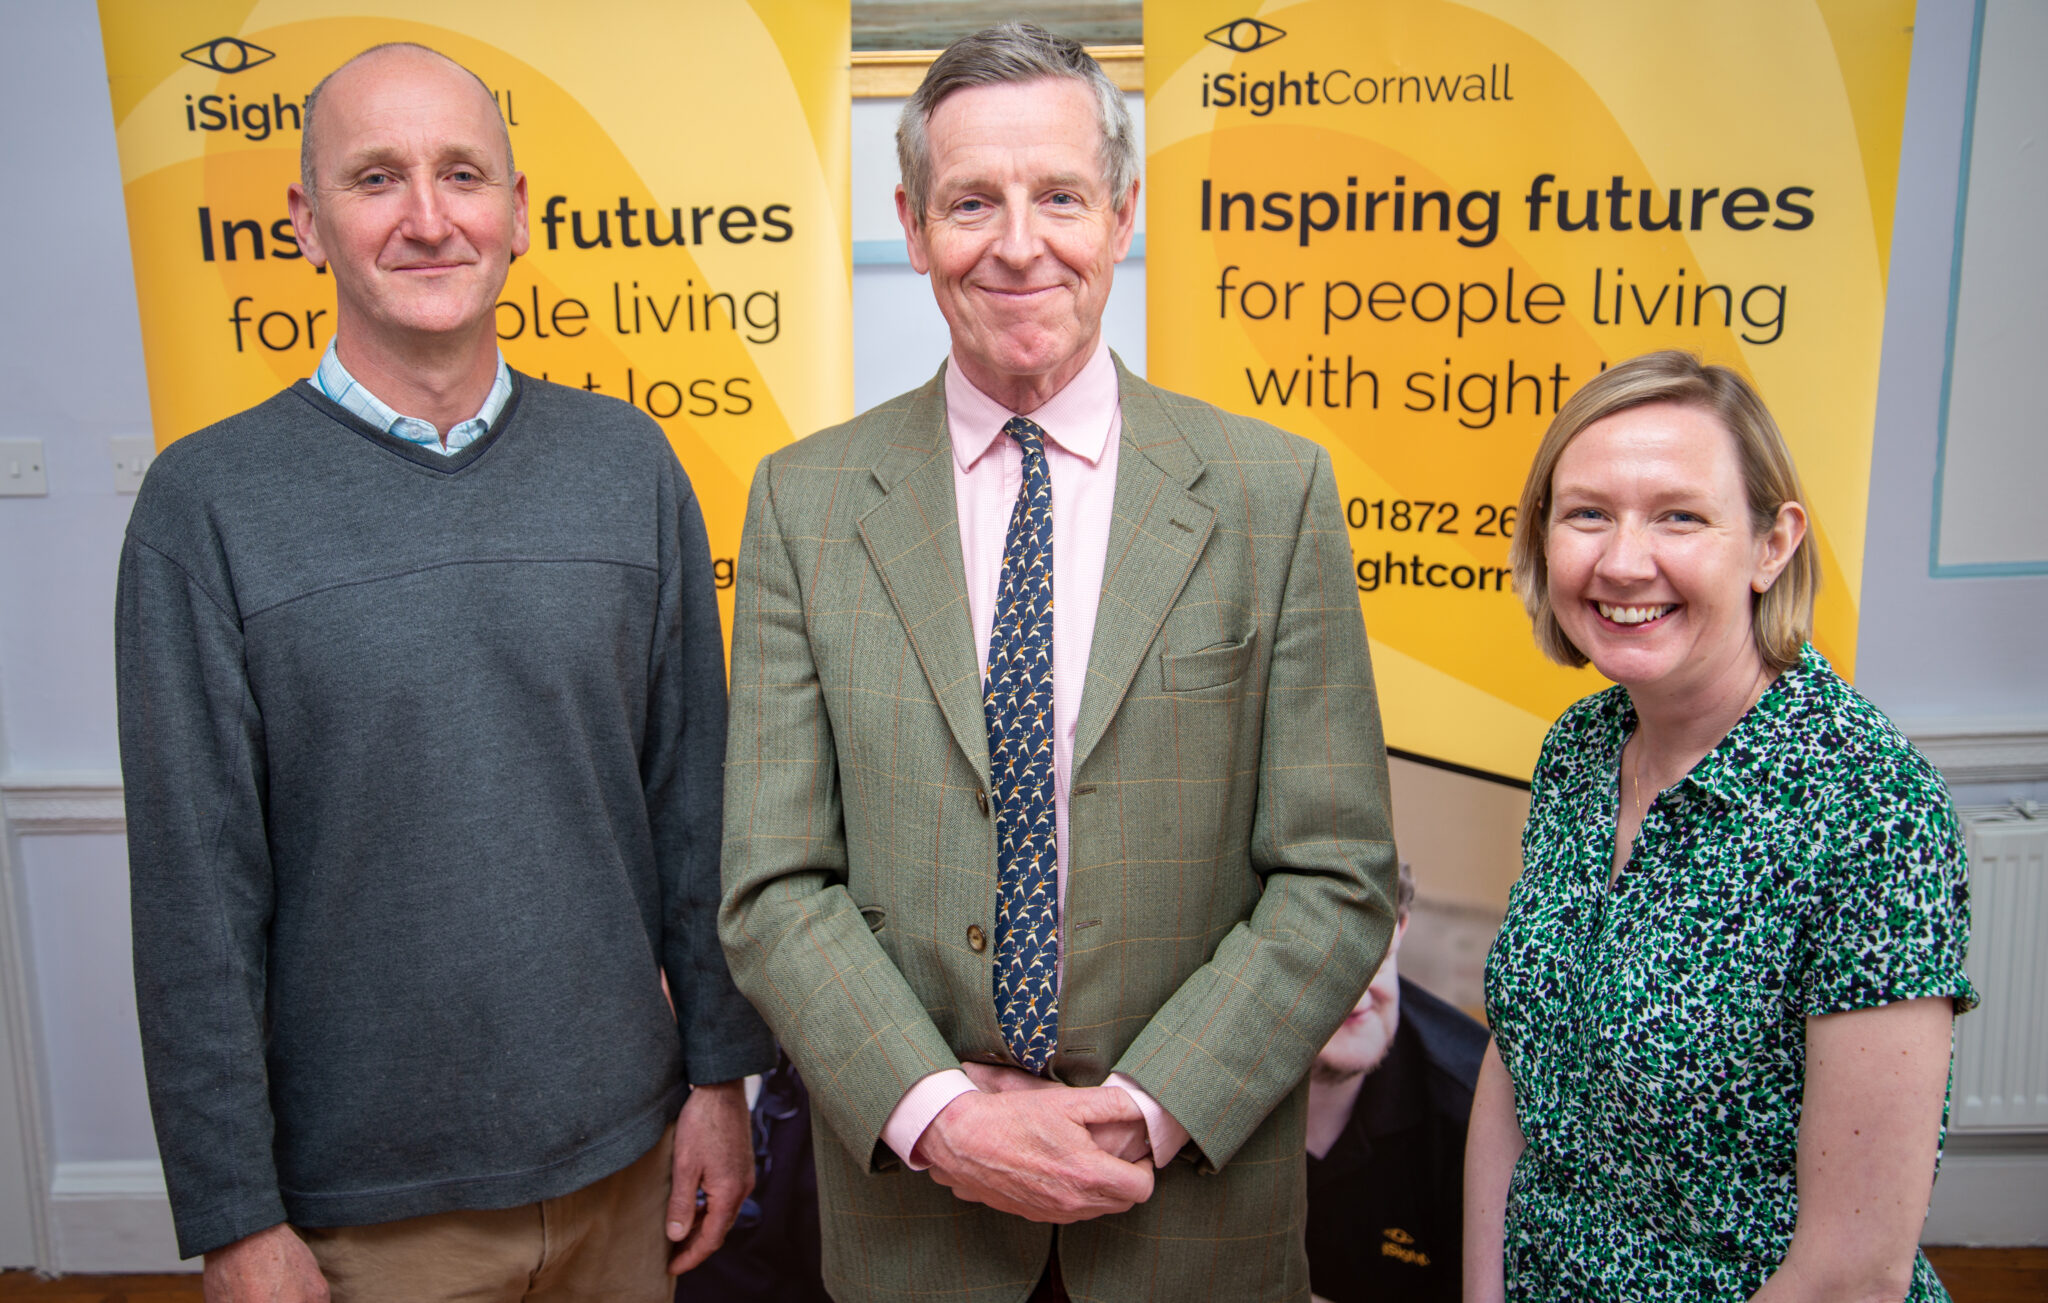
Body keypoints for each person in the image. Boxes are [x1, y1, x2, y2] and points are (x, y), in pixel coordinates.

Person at [718, 23, 1397, 1303]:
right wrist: (948, 1122)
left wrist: (1142, 1111)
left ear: (1123, 215)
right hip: (915, 1228)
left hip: (1186, 1217)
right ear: (913, 225)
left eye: (1060, 197)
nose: (1018, 243)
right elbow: (772, 881)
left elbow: (1335, 874)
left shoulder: (1271, 493)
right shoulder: (805, 504)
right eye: (972, 201)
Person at [116, 43, 773, 1303]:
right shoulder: (202, 509)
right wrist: (233, 1217)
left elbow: (696, 808)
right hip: (363, 1218)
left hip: (625, 1169)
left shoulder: (627, 466)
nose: (427, 217)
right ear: (306, 223)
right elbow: (194, 906)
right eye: (376, 178)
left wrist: (717, 1083)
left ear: (519, 212)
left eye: (461, 174)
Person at [1463, 351, 1977, 1302]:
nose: (1622, 560)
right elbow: (1520, 1048)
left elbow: (1853, 1273)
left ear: (1773, 544)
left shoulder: (1871, 811)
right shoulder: (1582, 747)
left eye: (1679, 515)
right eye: (1586, 513)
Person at [1305, 861, 1487, 1303]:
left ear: (1401, 928)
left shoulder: (1472, 1108)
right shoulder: (1201, 1087)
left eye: (1375, 955)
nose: (1358, 993)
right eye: (1326, 963)